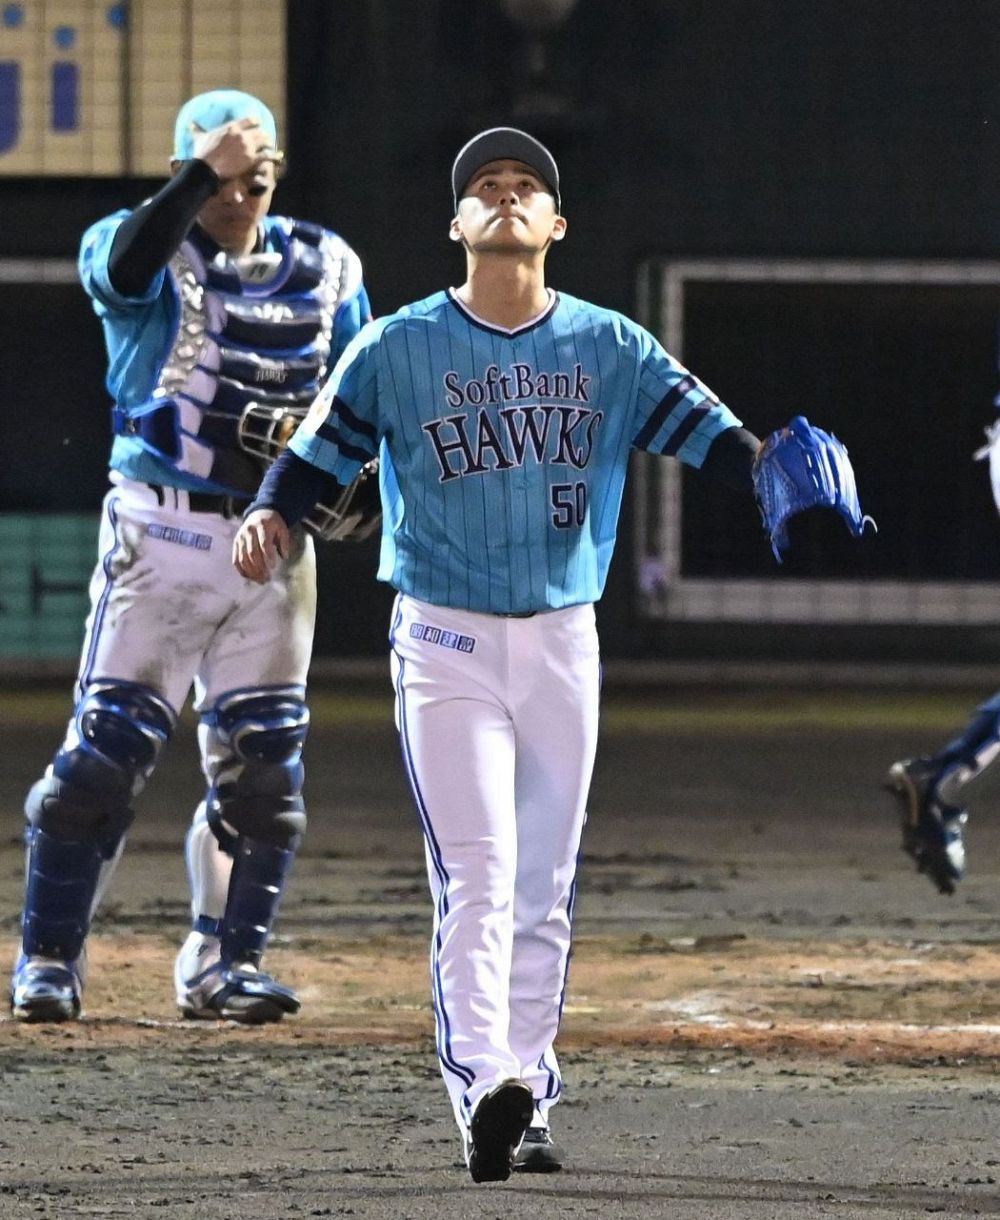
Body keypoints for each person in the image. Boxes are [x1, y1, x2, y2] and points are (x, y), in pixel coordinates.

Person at [232, 128, 868, 1181]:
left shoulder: (610, 345)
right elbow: (310, 460)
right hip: (444, 641)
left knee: (545, 884)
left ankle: (526, 1094)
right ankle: (484, 1083)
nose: (505, 195)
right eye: (485, 186)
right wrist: (269, 513)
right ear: (456, 223)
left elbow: (715, 438)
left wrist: (769, 468)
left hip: (565, 641)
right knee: (479, 875)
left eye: (525, 185)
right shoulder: (395, 345)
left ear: (557, 224)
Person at [10, 89, 372, 1025]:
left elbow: (357, 395)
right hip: (161, 530)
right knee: (104, 757)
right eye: (217, 182)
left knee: (266, 774)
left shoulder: (328, 266)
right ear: (184, 174)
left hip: (274, 543)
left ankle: (226, 962)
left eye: (255, 181)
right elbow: (127, 264)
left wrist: (363, 476)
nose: (237, 200)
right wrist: (201, 173)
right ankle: (48, 958)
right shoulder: (137, 245)